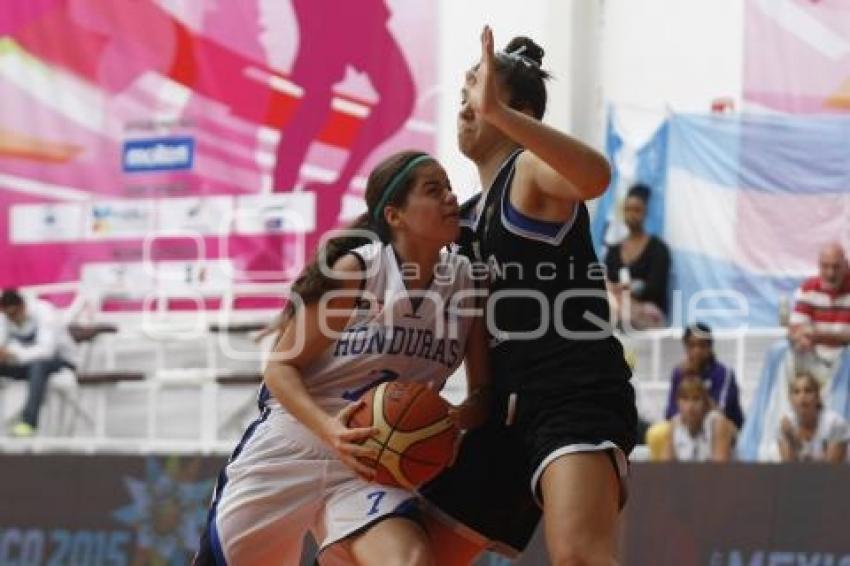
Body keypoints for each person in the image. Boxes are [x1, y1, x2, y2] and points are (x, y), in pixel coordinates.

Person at [194, 150, 491, 565]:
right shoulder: (359, 271)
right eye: (433, 189)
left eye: (449, 188)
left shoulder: (466, 283)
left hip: (376, 463)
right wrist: (330, 429)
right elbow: (280, 368)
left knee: (410, 561)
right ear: (395, 215)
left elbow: (482, 395)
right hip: (296, 443)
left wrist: (449, 420)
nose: (450, 198)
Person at [421, 27, 637, 565]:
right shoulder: (468, 217)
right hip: (502, 410)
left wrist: (501, 116)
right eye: (466, 89)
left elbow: (595, 175)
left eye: (477, 87)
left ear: (512, 109)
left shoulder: (530, 172)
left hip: (572, 394)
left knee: (579, 557)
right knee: (409, 557)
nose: (464, 103)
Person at [0, 289, 78, 437]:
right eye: (7, 316)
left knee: (38, 366)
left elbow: (46, 351)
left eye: (13, 315)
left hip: (61, 362)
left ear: (22, 306)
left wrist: (12, 353)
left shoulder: (45, 312)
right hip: (25, 364)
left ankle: (29, 423)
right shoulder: (5, 318)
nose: (11, 319)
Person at [604, 183, 671, 330]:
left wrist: (628, 289)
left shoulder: (658, 249)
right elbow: (607, 283)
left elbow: (654, 289)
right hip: (616, 309)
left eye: (637, 210)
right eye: (627, 209)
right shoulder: (613, 250)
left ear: (645, 211)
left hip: (648, 313)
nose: (631, 215)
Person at [788, 242, 850, 380]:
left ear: (846, 265)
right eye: (825, 266)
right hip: (815, 355)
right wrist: (800, 339)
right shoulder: (809, 287)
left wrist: (818, 335)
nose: (830, 273)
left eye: (836, 267)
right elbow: (795, 329)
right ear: (819, 266)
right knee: (779, 351)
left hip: (845, 357)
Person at [664, 323, 744, 429]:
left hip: (723, 428)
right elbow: (670, 413)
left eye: (702, 345)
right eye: (692, 345)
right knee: (658, 433)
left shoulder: (724, 373)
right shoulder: (679, 373)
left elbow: (721, 412)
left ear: (710, 347)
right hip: (689, 427)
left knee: (716, 423)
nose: (697, 351)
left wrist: (696, 380)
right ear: (686, 347)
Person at [660, 375, 736, 462]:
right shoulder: (674, 424)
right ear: (677, 402)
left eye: (696, 399)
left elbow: (721, 472)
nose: (690, 406)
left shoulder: (717, 423)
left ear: (705, 403)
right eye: (685, 399)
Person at [778, 372, 848, 463]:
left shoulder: (835, 424)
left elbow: (830, 472)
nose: (802, 397)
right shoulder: (786, 425)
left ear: (818, 397)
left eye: (808, 391)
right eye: (796, 392)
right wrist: (791, 439)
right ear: (790, 399)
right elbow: (789, 471)